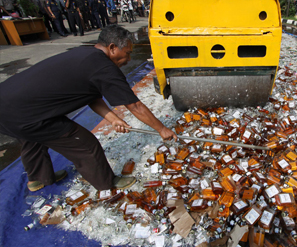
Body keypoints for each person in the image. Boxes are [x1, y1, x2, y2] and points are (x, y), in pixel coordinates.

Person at [0, 25, 177, 192]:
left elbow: (91, 96)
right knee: (85, 144)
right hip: (25, 112)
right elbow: (134, 105)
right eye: (128, 53)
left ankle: (37, 179)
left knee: (32, 137)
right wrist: (161, 129)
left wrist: (113, 119)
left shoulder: (86, 54)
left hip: (8, 104)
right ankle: (106, 184)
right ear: (113, 47)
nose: (129, 59)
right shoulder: (104, 67)